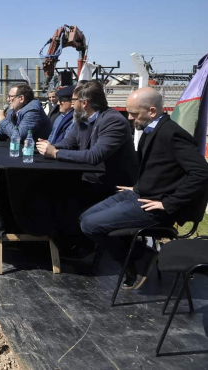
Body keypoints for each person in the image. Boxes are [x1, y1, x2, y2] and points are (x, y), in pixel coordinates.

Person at [80, 88, 208, 288]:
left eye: (134, 113)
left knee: (90, 225)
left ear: (152, 111)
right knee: (84, 219)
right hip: (139, 194)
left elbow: (201, 172)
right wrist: (136, 187)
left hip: (154, 207)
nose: (129, 118)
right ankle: (143, 257)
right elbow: (158, 169)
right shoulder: (151, 130)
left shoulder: (172, 133)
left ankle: (138, 260)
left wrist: (169, 203)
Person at [36, 81, 138, 192]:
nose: (72, 104)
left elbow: (94, 156)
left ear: (84, 103)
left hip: (110, 185)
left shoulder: (113, 121)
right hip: (88, 179)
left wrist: (55, 153)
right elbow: (69, 143)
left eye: (74, 100)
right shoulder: (82, 119)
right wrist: (48, 146)